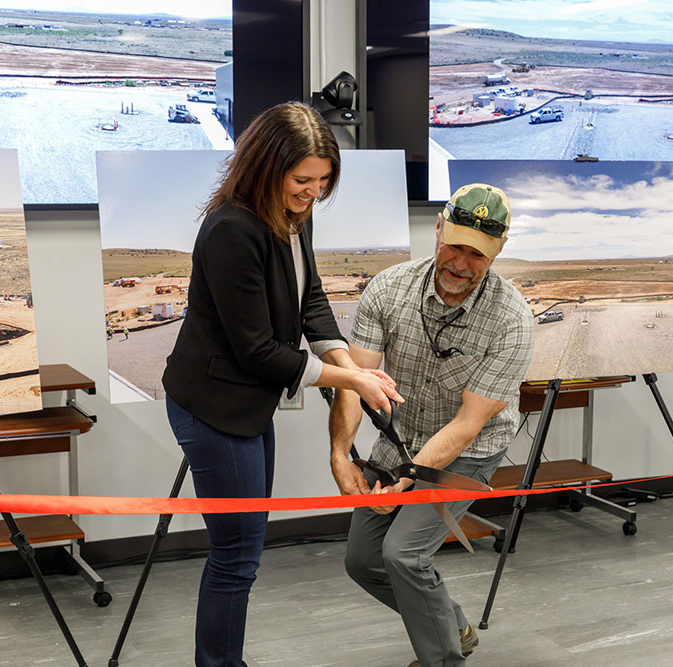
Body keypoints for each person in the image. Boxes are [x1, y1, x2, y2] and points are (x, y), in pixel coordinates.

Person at [161, 101, 402, 667]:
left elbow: (310, 300)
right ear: (267, 166)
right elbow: (259, 353)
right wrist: (353, 378)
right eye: (302, 180)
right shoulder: (230, 229)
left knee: (242, 551)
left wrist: (347, 363)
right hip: (214, 404)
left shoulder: (295, 213)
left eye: (323, 182)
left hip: (245, 405)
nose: (313, 192)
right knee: (236, 556)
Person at [329, 183, 534, 667]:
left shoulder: (513, 320)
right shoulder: (387, 288)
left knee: (403, 554)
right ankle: (451, 626)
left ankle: (443, 659)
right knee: (362, 561)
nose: (461, 264)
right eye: (454, 246)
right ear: (437, 228)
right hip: (399, 440)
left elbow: (467, 425)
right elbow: (355, 382)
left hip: (467, 449)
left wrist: (405, 481)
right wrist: (341, 453)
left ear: (499, 251)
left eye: (477, 254)